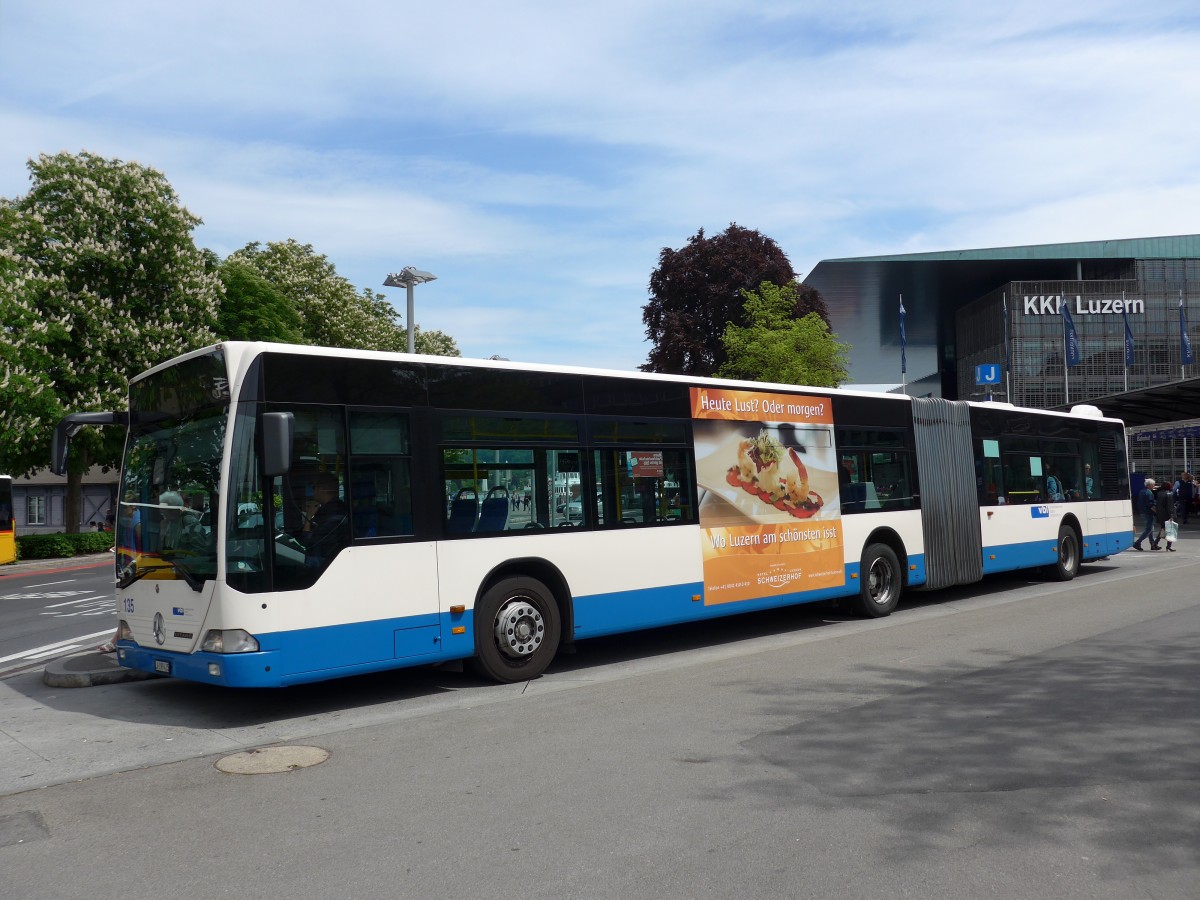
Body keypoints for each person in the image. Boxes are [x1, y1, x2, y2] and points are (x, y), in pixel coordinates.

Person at [301, 472, 350, 566]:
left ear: (322, 489)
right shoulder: (326, 510)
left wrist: (308, 517)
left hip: (326, 563)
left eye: (313, 488)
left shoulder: (334, 515)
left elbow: (308, 543)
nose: (312, 491)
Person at [1133, 478, 1157, 551]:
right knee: (1149, 529)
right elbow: (1150, 504)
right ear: (1149, 485)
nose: (1154, 486)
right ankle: (1138, 542)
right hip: (1148, 512)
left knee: (1151, 528)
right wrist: (1156, 511)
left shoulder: (1142, 491)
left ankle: (1153, 544)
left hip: (1142, 512)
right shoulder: (1149, 492)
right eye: (1153, 484)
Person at [1154, 482, 1174, 551]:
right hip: (1167, 515)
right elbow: (1170, 506)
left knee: (1163, 529)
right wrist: (1171, 515)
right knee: (1171, 530)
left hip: (1161, 514)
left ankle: (1155, 543)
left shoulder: (1159, 493)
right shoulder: (1169, 494)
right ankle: (1168, 546)